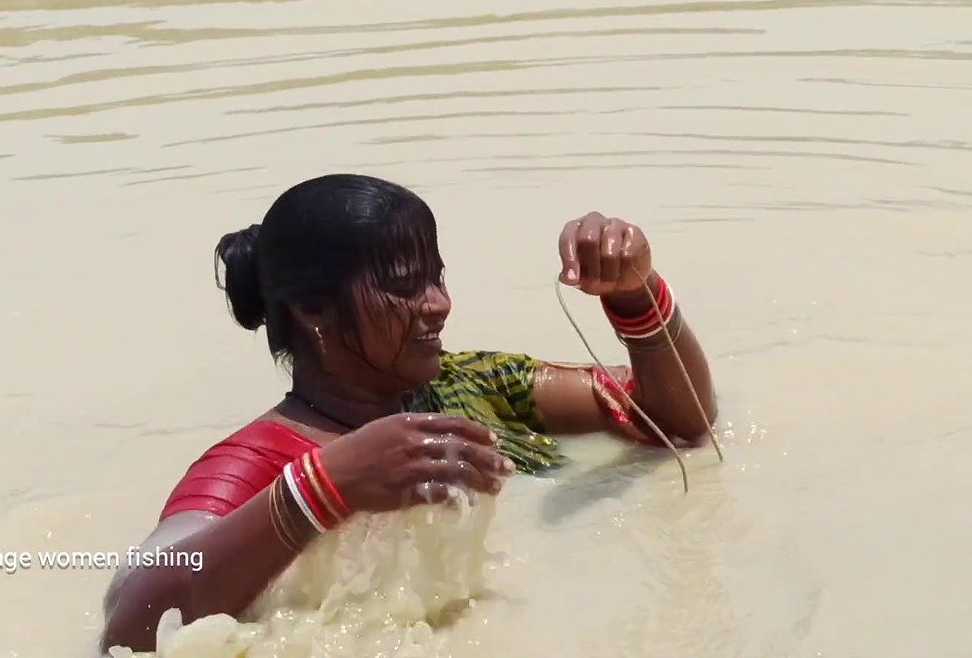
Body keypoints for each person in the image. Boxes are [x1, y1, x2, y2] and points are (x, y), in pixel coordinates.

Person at [98, 173, 718, 653]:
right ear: (314, 307)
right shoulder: (258, 460)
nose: (439, 304)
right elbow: (133, 621)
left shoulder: (470, 382)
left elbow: (678, 422)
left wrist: (638, 293)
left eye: (437, 277)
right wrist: (322, 490)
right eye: (404, 284)